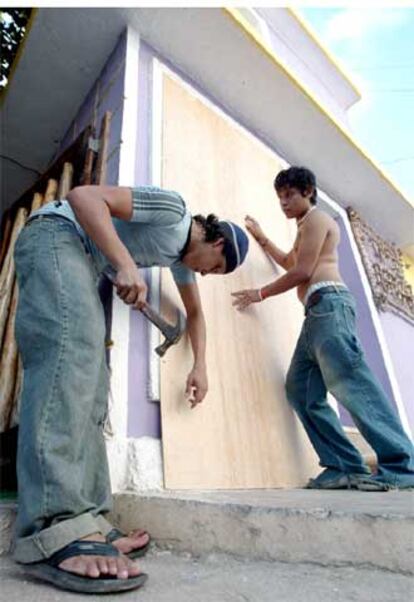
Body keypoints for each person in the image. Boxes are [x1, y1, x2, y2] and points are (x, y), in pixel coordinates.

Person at [13, 184, 249, 593]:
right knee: (70, 358)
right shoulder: (175, 211)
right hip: (55, 235)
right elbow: (84, 198)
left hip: (81, 257)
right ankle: (55, 525)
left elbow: (195, 315)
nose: (208, 274)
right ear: (217, 239)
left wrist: (201, 365)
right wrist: (124, 264)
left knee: (92, 385)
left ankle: (87, 517)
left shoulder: (179, 261)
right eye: (217, 266)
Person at [232, 166, 414, 492]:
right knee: (300, 389)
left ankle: (403, 466)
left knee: (350, 383)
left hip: (331, 305)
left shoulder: (318, 219)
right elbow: (290, 261)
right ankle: (345, 466)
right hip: (315, 314)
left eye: (290, 195)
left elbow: (302, 271)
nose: (283, 203)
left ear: (308, 192)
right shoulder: (304, 227)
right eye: (280, 197)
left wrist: (259, 294)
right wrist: (261, 238)